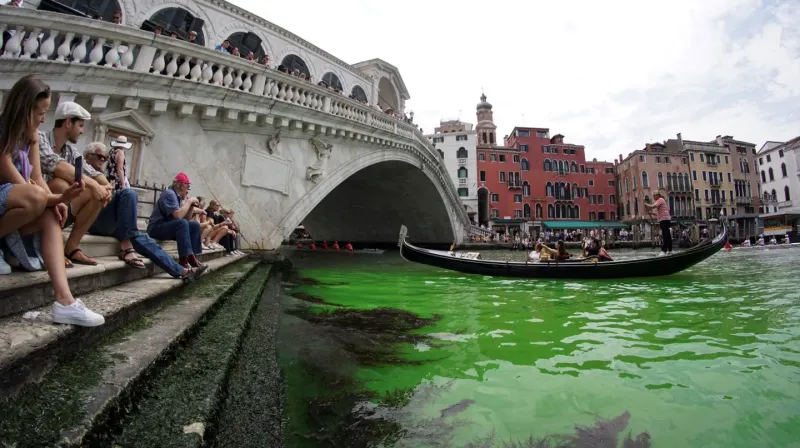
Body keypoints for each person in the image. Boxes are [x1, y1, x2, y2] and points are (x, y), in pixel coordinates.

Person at [0, 75, 104, 326]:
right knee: (40, 198)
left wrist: (57, 201)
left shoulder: (32, 134)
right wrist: (52, 197)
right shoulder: (3, 130)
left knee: (51, 213)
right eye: (40, 113)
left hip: (22, 198)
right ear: (24, 109)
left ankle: (65, 300)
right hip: (10, 195)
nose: (43, 119)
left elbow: (36, 175)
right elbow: (16, 178)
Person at [83, 142, 199, 280]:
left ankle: (180, 271)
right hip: (92, 219)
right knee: (128, 193)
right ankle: (126, 246)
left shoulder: (104, 175)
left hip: (111, 220)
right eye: (99, 156)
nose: (103, 160)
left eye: (105, 158)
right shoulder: (81, 171)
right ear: (87, 156)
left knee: (142, 238)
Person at [38, 101, 112, 268]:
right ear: (67, 122)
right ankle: (51, 247)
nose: (82, 130)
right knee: (59, 184)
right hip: (37, 205)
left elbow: (93, 173)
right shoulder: (40, 138)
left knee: (96, 194)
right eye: (79, 125)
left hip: (60, 207)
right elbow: (55, 165)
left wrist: (106, 187)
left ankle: (71, 247)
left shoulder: (71, 150)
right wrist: (94, 185)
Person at [147, 172, 207, 274]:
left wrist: (191, 207)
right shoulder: (169, 193)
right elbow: (178, 216)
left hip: (168, 226)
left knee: (194, 225)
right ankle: (184, 261)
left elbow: (186, 220)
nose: (188, 190)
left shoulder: (177, 197)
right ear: (182, 185)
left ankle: (193, 257)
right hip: (156, 227)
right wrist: (188, 202)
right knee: (182, 223)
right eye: (188, 187)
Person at [644, 190, 672, 256]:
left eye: (654, 195)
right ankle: (669, 250)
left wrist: (646, 205)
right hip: (664, 219)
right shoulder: (660, 201)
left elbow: (653, 206)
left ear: (657, 195)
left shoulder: (660, 200)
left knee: (665, 235)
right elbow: (658, 214)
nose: (653, 197)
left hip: (664, 220)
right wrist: (652, 213)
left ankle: (664, 250)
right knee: (667, 235)